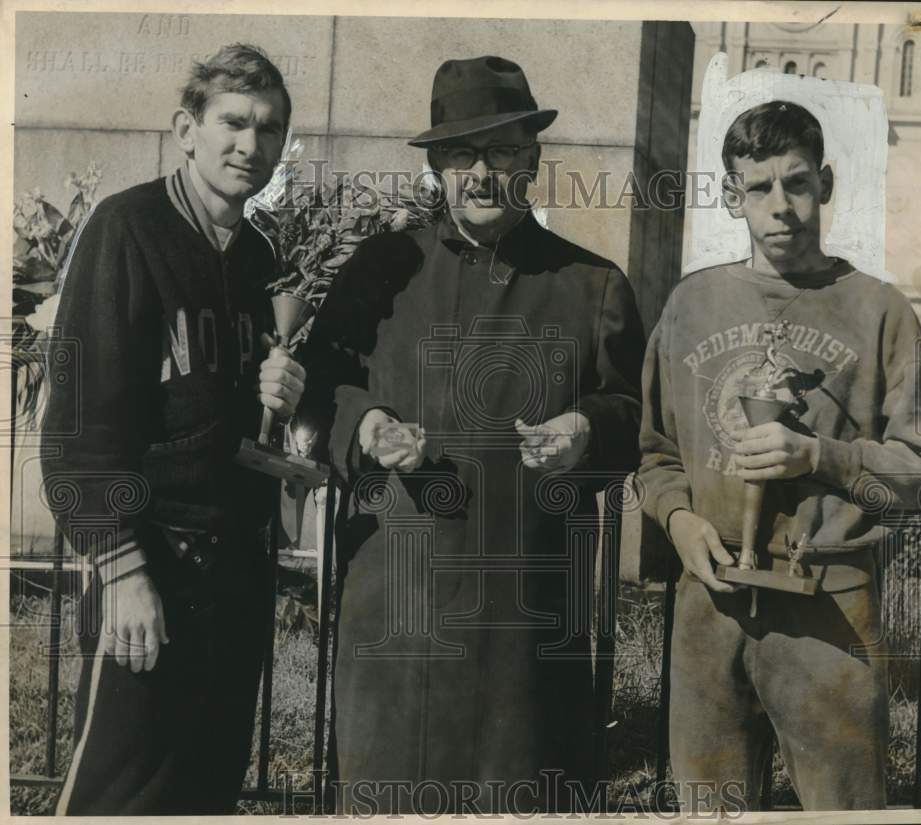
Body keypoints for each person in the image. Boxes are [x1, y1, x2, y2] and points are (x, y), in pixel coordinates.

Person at [297, 55, 645, 814]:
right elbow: (318, 391)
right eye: (461, 154)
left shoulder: (592, 285)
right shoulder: (381, 269)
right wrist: (368, 423)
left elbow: (636, 414)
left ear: (534, 161)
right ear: (437, 167)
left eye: (503, 152)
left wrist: (587, 427)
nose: (481, 174)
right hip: (396, 611)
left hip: (525, 623)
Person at [638, 100, 921, 812]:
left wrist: (818, 454)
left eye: (798, 182)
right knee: (708, 812)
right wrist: (680, 521)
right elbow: (655, 456)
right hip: (709, 605)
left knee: (843, 810)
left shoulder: (880, 311)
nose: (780, 206)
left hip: (828, 613)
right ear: (732, 196)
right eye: (758, 187)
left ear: (826, 184)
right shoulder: (691, 305)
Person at [40, 44, 306, 815]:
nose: (250, 145)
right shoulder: (127, 228)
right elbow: (79, 426)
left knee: (205, 792)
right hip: (151, 562)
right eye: (233, 123)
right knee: (119, 795)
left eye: (269, 129)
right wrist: (121, 569)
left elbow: (227, 425)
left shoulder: (259, 257)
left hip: (234, 577)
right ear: (186, 131)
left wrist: (282, 403)